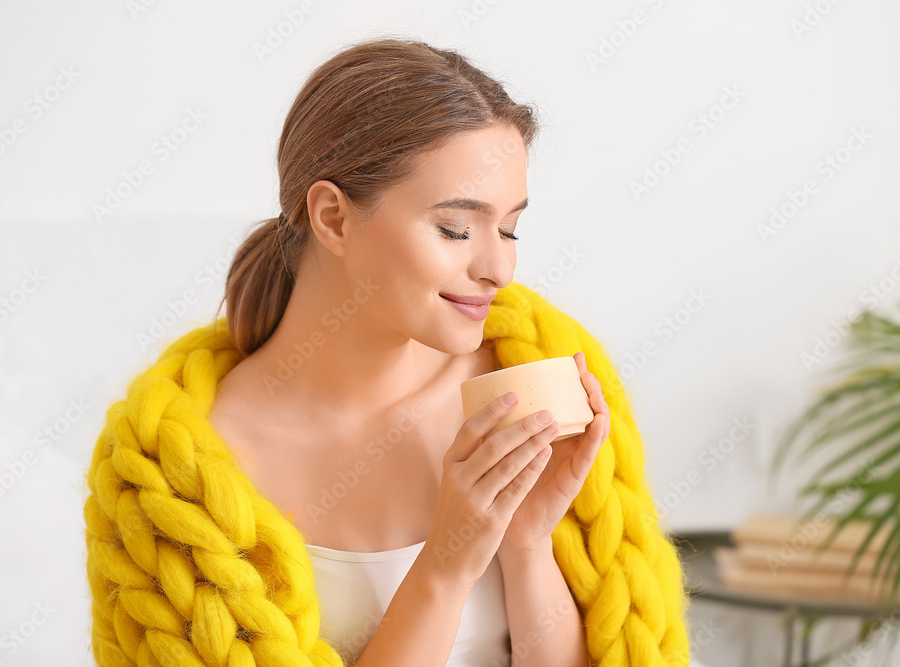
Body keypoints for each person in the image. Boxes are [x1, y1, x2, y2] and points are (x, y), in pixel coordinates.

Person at [84, 36, 690, 667]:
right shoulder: (168, 478)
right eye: (456, 228)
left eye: (509, 228)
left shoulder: (531, 373)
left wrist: (526, 542)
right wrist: (446, 564)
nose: (498, 268)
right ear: (333, 218)